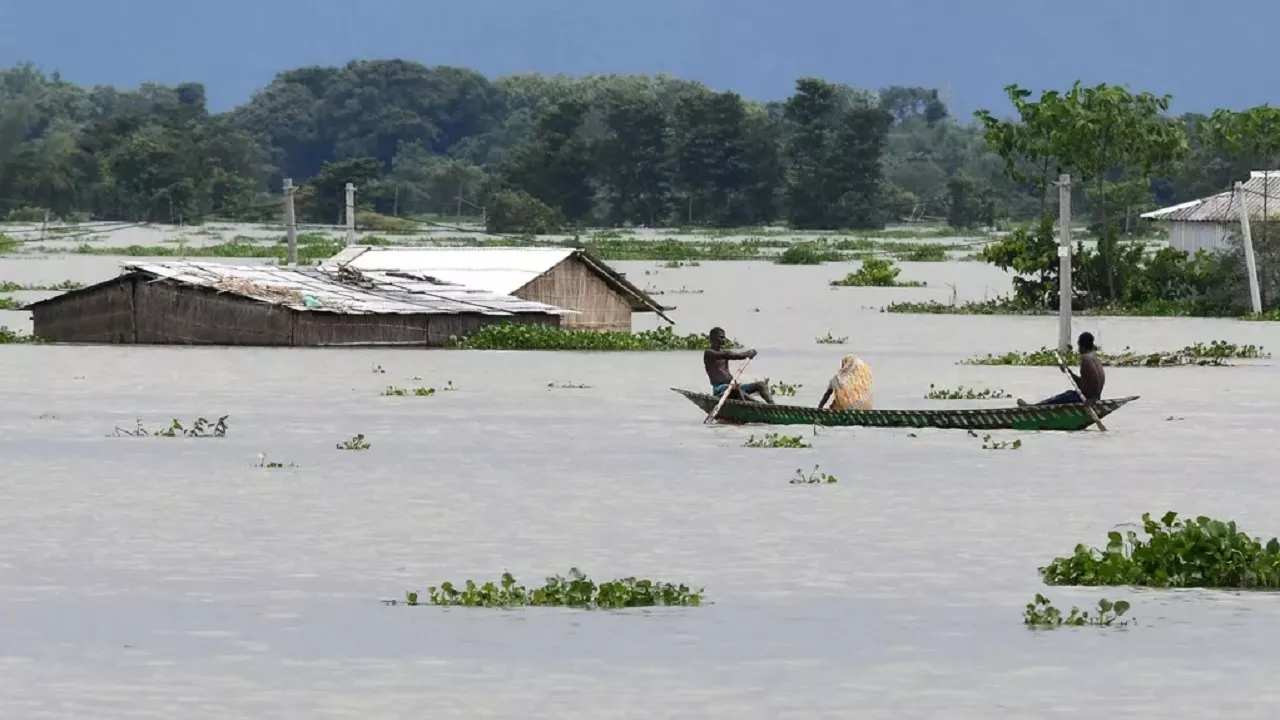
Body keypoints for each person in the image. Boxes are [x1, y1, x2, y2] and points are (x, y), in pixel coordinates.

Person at [1018, 331, 1106, 406]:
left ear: (1081, 346)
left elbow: (1095, 379)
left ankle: (1034, 407)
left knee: (1063, 397)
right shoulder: (1094, 357)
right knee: (1068, 394)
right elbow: (1086, 382)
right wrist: (1068, 371)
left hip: (1087, 397)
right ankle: (1035, 406)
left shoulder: (1085, 359)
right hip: (1091, 395)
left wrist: (1092, 399)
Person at [704, 327, 774, 403]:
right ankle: (758, 405)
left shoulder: (725, 351)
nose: (724, 339)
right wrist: (747, 354)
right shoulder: (709, 353)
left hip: (732, 387)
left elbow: (732, 354)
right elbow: (729, 355)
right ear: (713, 339)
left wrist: (751, 352)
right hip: (720, 390)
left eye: (724, 337)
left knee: (761, 385)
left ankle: (773, 406)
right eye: (721, 337)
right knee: (735, 389)